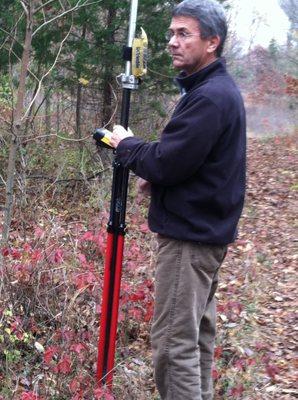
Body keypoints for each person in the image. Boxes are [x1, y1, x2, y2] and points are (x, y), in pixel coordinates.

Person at [109, 0, 246, 398]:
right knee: (196, 340)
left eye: (184, 34)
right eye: (171, 33)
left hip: (190, 240)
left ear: (212, 42)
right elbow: (195, 162)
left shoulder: (209, 97)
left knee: (173, 344)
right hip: (205, 233)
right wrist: (163, 179)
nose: (172, 42)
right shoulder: (213, 91)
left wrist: (126, 145)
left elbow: (169, 162)